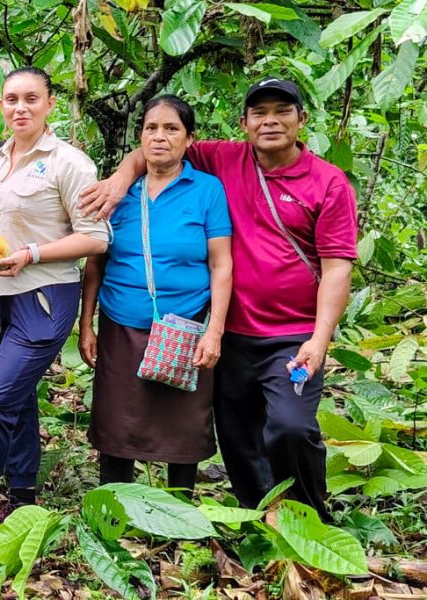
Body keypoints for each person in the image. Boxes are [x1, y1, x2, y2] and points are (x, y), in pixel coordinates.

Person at [79, 78, 357, 520]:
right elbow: (152, 147)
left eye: (282, 111)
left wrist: (320, 339)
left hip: (292, 334)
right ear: (243, 123)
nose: (270, 121)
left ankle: (310, 520)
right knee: (236, 432)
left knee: (291, 425)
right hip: (230, 333)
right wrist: (118, 180)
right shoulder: (224, 158)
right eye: (259, 113)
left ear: (302, 120)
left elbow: (338, 267)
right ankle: (257, 513)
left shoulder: (328, 182)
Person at [0, 67, 109, 534]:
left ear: (50, 103)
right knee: (18, 399)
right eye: (11, 100)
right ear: (0, 107)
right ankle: (24, 493)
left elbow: (95, 239)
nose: (20, 108)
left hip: (43, 295)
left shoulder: (71, 163)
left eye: (31, 99)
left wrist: (31, 254)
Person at [77, 95, 233, 491]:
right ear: (140, 136)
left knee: (184, 423)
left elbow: (221, 264)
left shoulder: (207, 190)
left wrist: (214, 330)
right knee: (117, 420)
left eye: (171, 129)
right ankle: (115, 507)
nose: (159, 137)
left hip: (185, 325)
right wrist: (86, 324)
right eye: (151, 128)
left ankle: (180, 510)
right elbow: (96, 261)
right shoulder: (117, 192)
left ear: (189, 139)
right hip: (121, 322)